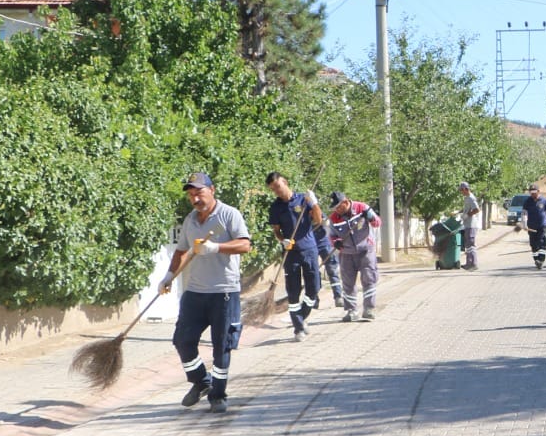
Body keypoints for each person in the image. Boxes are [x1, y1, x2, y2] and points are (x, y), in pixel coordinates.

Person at [159, 171, 252, 414]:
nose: (195, 199)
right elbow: (181, 252)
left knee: (222, 347)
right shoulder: (190, 220)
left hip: (224, 292)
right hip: (195, 292)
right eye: (191, 195)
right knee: (182, 340)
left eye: (199, 192)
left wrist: (216, 248)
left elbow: (245, 245)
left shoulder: (229, 214)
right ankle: (202, 381)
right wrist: (169, 276)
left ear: (212, 190)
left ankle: (218, 395)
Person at [266, 171, 323, 341]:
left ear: (285, 181)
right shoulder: (275, 208)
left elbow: (318, 220)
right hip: (291, 253)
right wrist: (282, 241)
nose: (276, 191)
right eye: (273, 189)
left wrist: (314, 203)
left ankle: (303, 315)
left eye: (277, 186)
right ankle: (298, 328)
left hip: (309, 250)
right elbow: (277, 231)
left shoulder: (303, 200)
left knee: (314, 288)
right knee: (293, 290)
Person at [327, 191, 380, 321]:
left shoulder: (362, 208)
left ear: (346, 202)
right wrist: (336, 243)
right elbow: (332, 236)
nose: (337, 210)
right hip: (346, 254)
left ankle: (368, 309)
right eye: (335, 208)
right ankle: (351, 311)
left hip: (366, 251)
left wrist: (371, 217)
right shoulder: (334, 218)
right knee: (348, 283)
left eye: (339, 207)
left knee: (369, 279)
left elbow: (377, 223)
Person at [523, 184, 546, 268]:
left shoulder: (544, 200)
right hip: (531, 227)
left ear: (538, 191)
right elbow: (524, 213)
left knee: (542, 242)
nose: (533, 194)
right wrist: (524, 224)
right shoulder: (527, 201)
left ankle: (541, 259)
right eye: (531, 192)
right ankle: (536, 260)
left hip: (542, 225)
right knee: (533, 244)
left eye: (534, 192)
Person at [458, 181, 480, 270]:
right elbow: (466, 209)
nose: (461, 192)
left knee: (470, 244)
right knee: (468, 245)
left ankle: (473, 263)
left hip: (471, 225)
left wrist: (467, 215)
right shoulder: (467, 198)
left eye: (462, 190)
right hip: (467, 225)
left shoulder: (471, 198)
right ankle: (469, 263)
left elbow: (476, 209)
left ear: (465, 189)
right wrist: (459, 211)